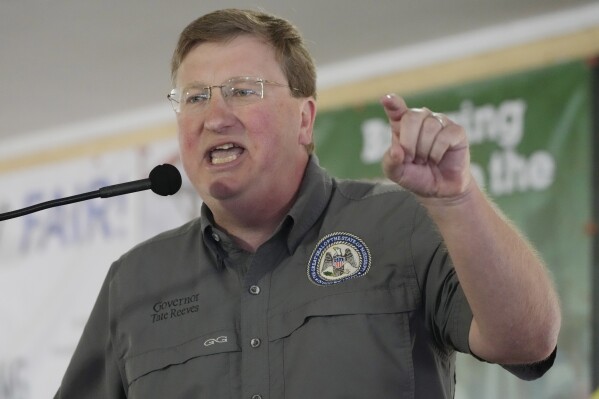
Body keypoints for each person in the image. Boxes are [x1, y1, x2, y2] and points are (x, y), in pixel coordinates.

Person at [54, 8, 561, 399]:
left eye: (242, 90)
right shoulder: (135, 282)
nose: (215, 115)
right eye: (195, 97)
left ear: (304, 119)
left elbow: (528, 341)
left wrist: (457, 200)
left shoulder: (401, 224)